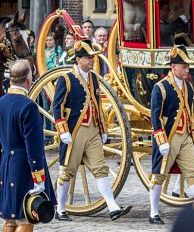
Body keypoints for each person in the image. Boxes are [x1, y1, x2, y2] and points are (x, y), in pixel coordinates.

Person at [52, 40, 132, 221]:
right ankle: (61, 209)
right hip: (74, 131)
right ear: (78, 59)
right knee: (67, 171)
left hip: (93, 130)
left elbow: (97, 104)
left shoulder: (94, 78)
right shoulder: (66, 79)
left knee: (100, 168)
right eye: (88, 58)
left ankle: (112, 207)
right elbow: (57, 107)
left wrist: (102, 128)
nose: (92, 61)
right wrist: (63, 130)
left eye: (92, 58)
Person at [148, 45, 194, 224]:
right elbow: (155, 116)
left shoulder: (188, 86)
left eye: (187, 66)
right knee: (159, 174)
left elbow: (190, 112)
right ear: (173, 67)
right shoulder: (161, 87)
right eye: (183, 66)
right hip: (168, 137)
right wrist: (161, 139)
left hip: (185, 136)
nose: (187, 69)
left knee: (193, 173)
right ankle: (153, 212)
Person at [0, 60, 56, 231]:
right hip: (24, 167)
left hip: (6, 165)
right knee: (26, 218)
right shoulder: (28, 106)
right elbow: (34, 147)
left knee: (10, 219)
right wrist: (39, 180)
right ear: (29, 80)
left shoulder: (1, 102)